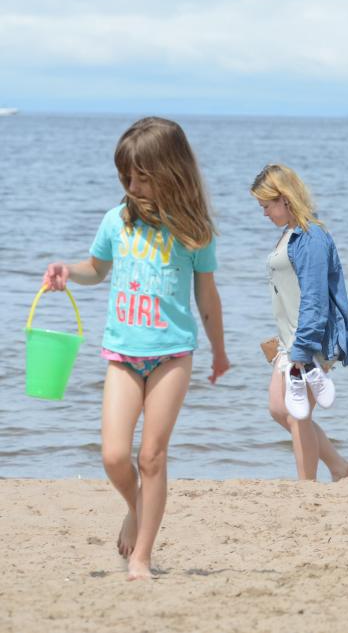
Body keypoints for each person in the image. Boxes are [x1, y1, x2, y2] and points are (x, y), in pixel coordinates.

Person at [42, 117, 230, 580]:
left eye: (142, 176)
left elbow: (207, 296)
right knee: (112, 456)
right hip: (123, 356)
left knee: (151, 457)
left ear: (171, 171)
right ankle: (136, 505)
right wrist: (68, 271)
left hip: (172, 355)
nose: (132, 184)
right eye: (127, 175)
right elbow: (95, 268)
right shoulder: (116, 220)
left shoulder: (194, 229)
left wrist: (219, 351)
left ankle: (141, 558)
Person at [251, 164, 348, 482]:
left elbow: (314, 299)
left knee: (298, 416)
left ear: (284, 198)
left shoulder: (311, 237)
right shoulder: (290, 234)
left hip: (309, 341)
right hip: (289, 340)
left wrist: (302, 348)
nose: (264, 213)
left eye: (266, 205)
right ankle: (339, 467)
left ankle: (306, 488)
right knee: (279, 410)